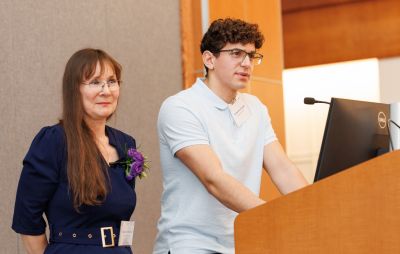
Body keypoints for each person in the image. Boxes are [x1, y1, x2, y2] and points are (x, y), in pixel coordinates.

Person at [153, 18, 308, 254]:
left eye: (251, 55)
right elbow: (214, 179)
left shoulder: (255, 107)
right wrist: (274, 216)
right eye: (236, 53)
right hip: (190, 244)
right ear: (209, 59)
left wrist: (315, 208)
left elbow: (282, 169)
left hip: (241, 241)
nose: (247, 63)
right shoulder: (181, 107)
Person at [12, 48, 139, 253]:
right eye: (95, 82)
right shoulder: (54, 141)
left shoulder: (125, 143)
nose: (106, 90)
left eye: (112, 81)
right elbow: (27, 220)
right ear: (74, 89)